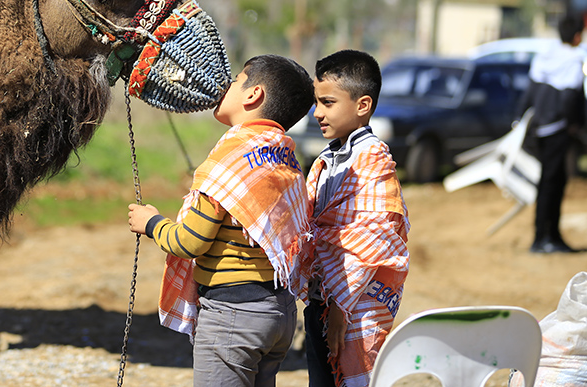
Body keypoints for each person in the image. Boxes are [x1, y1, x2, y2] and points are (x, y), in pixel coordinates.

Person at [128, 54, 315, 387]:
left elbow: (189, 242)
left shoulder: (229, 160)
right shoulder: (286, 157)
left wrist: (151, 222)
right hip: (279, 313)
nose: (225, 86)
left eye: (235, 80)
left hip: (235, 317)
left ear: (252, 95)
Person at [298, 49, 409, 387]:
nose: (317, 113)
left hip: (354, 307)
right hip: (322, 300)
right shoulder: (327, 160)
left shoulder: (372, 160)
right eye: (316, 103)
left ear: (363, 106)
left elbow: (371, 242)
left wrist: (338, 311)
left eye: (327, 103)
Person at [521, 15, 587, 254]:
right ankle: (541, 238)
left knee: (555, 180)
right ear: (578, 35)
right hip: (558, 129)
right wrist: (574, 125)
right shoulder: (575, 58)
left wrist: (520, 119)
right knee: (551, 183)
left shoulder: (545, 54)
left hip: (541, 127)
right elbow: (572, 97)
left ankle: (553, 236)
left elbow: (529, 92)